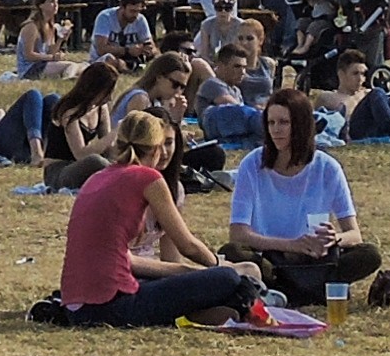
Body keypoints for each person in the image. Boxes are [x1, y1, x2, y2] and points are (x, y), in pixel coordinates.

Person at [46, 112, 260, 328]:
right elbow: (188, 246)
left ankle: (216, 310)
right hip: (112, 303)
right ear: (156, 148)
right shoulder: (148, 178)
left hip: (76, 306)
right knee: (227, 279)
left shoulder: (99, 176)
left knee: (200, 281)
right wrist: (222, 267)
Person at [223, 87, 377, 314]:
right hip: (273, 260)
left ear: (301, 125)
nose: (276, 130)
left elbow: (354, 234)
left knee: (369, 254)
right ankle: (304, 290)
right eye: (271, 123)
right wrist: (291, 245)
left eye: (284, 122)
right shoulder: (252, 165)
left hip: (317, 259)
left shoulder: (327, 167)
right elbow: (238, 234)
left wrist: (333, 239)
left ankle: (291, 291)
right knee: (233, 252)